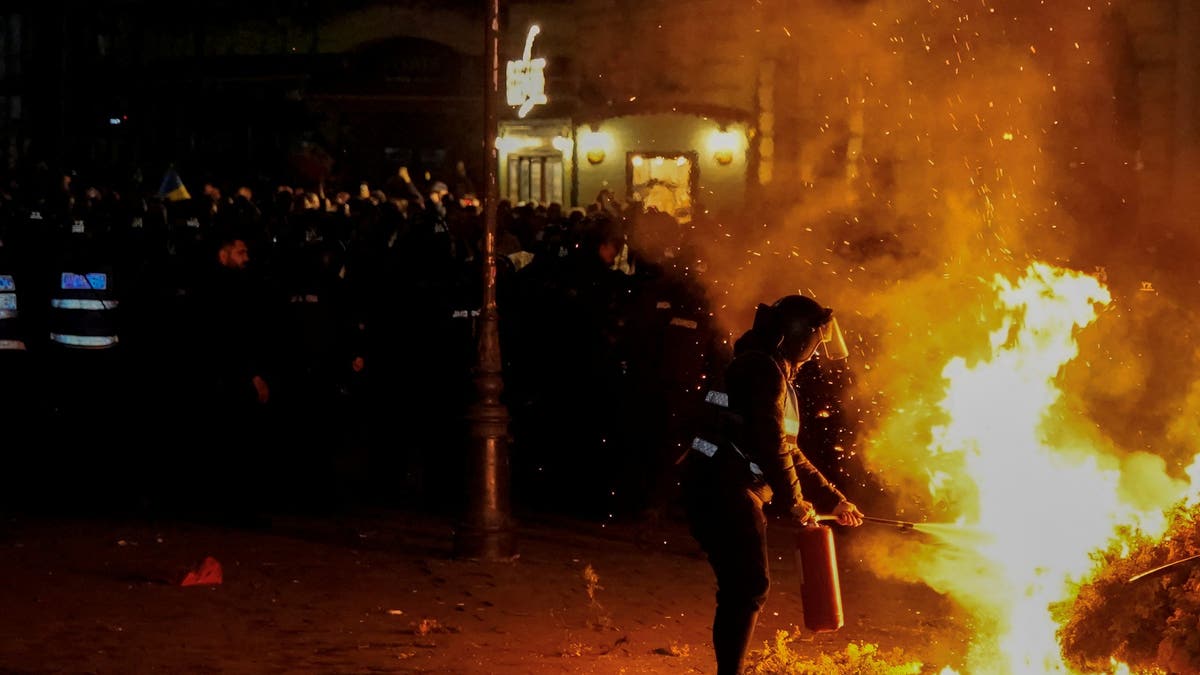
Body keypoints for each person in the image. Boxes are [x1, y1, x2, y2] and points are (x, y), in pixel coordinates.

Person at [683, 294, 865, 675]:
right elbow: (770, 444)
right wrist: (795, 502)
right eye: (815, 341)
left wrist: (835, 501)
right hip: (722, 486)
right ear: (798, 337)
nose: (816, 352)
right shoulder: (763, 370)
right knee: (748, 586)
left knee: (745, 586)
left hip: (724, 484)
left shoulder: (769, 367)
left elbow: (789, 449)